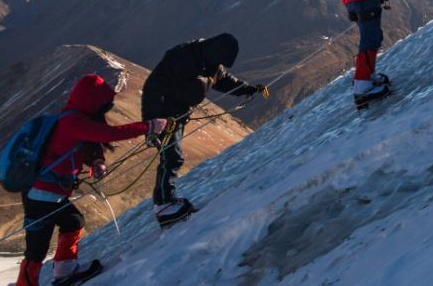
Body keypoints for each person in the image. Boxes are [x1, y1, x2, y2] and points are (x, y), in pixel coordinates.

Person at [17, 73, 166, 286]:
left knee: (72, 222)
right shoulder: (73, 121)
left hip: (47, 191)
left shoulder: (73, 117)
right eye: (103, 104)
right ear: (92, 101)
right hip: (42, 194)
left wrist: (96, 161)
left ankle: (65, 271)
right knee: (37, 249)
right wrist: (148, 126)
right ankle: (38, 280)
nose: (105, 109)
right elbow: (108, 134)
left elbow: (83, 145)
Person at [141, 33, 266, 224]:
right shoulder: (182, 56)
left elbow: (225, 81)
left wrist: (248, 89)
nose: (220, 65)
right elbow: (153, 87)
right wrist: (151, 121)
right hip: (164, 114)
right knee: (172, 156)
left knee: (171, 156)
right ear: (216, 52)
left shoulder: (211, 62)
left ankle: (166, 201)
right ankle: (164, 205)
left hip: (179, 113)